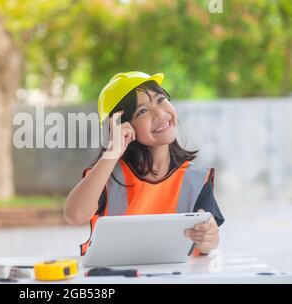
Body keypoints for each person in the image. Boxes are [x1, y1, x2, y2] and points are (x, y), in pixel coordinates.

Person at [64, 71, 225, 256]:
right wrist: (112, 153)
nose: (159, 113)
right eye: (142, 111)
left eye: (160, 99)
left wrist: (208, 239)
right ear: (122, 126)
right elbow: (75, 215)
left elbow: (207, 243)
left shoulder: (196, 179)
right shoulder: (107, 175)